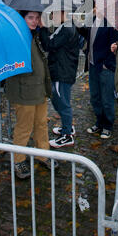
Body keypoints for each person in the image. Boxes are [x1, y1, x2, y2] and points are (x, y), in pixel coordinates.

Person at [5, 11, 54, 179]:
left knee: (41, 123)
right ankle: (18, 159)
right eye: (30, 17)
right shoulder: (16, 36)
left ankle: (43, 153)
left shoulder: (37, 34)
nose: (35, 21)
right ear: (22, 18)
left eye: (37, 17)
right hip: (24, 91)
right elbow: (13, 64)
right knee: (24, 127)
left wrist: (43, 30)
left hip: (39, 89)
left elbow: (49, 48)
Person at [39, 10, 80, 148]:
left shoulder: (67, 28)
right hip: (62, 69)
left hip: (62, 71)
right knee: (61, 100)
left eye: (54, 13)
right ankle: (67, 127)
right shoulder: (65, 26)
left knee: (61, 102)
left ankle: (67, 135)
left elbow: (49, 45)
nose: (52, 16)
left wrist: (43, 28)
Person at [79, 6, 118, 140]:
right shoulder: (94, 19)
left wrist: (106, 64)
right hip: (92, 64)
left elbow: (114, 46)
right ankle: (99, 122)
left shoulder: (112, 23)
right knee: (95, 96)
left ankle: (107, 126)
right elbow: (88, 35)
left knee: (107, 98)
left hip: (105, 67)